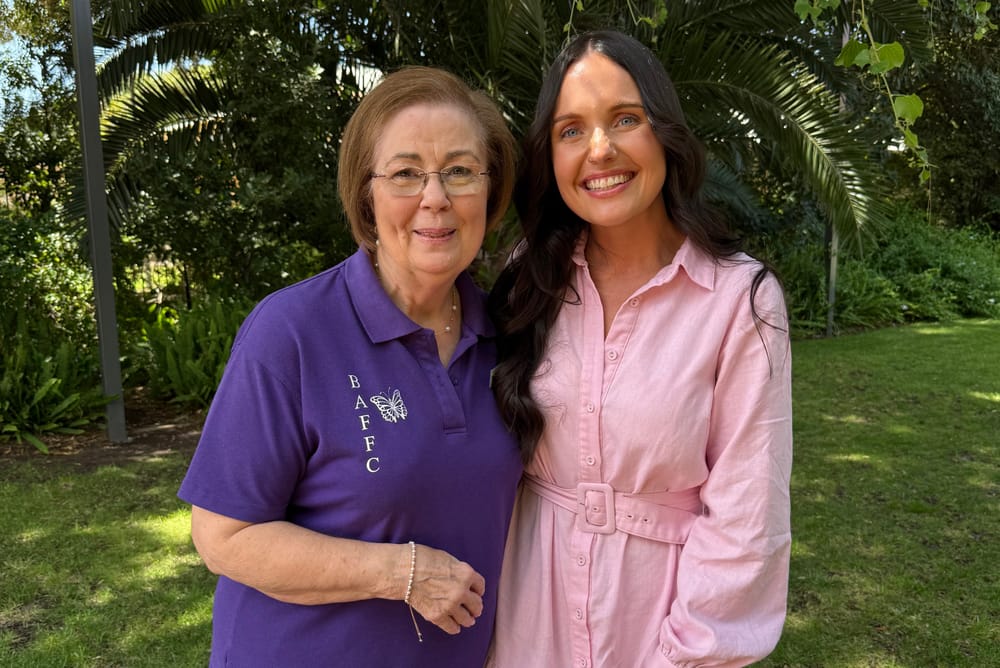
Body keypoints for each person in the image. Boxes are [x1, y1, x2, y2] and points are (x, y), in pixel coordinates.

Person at [178, 66, 522, 667]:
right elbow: (222, 537)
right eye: (406, 173)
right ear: (366, 192)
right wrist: (401, 572)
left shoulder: (508, 339)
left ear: (490, 192)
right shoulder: (292, 332)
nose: (435, 197)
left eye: (461, 171)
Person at [487, 30, 793, 668]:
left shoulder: (739, 299)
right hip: (525, 619)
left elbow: (745, 522)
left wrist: (682, 657)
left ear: (665, 132)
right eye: (571, 130)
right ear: (550, 154)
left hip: (657, 623)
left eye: (626, 119)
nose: (599, 150)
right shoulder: (528, 278)